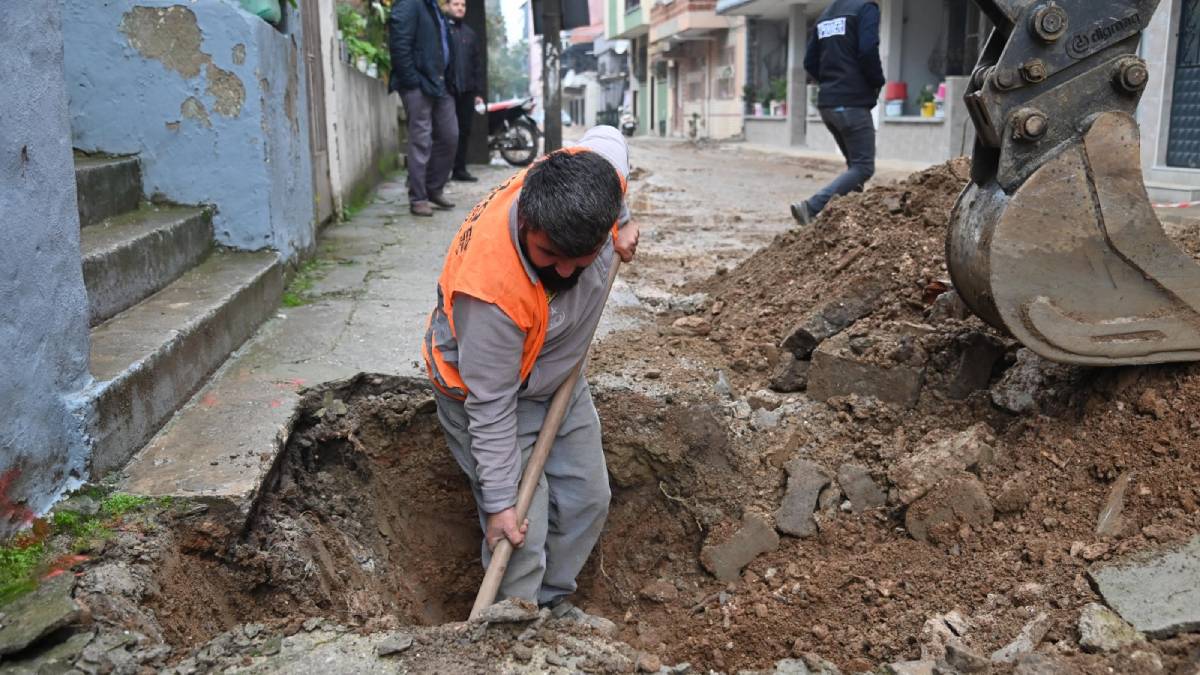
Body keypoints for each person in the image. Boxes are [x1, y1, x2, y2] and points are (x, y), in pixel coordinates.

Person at [422, 126, 640, 629]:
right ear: (527, 221)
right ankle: (511, 626)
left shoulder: (595, 177)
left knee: (589, 496)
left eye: (578, 261)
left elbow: (610, 139)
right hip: (490, 392)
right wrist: (499, 504)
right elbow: (491, 405)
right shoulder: (490, 295)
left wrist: (623, 222)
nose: (563, 272)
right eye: (548, 256)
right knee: (522, 528)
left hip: (558, 375)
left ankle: (551, 603)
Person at [790, 0, 885, 225]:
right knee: (863, 167)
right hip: (851, 103)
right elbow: (868, 49)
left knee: (854, 168)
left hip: (828, 105)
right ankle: (811, 206)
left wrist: (832, 83)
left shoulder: (826, 16)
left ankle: (853, 221)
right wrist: (876, 82)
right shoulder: (865, 8)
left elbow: (809, 62)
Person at [389, 0, 459, 217]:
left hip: (439, 83)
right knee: (421, 139)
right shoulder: (410, 3)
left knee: (450, 135)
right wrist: (412, 81)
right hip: (418, 83)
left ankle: (433, 188)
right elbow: (399, 42)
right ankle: (418, 198)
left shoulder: (433, 7)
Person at [445, 0, 485, 183]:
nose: (460, 8)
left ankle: (459, 169)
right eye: (455, 4)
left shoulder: (470, 34)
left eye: (463, 5)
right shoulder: (443, 31)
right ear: (447, 6)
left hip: (467, 90)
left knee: (464, 130)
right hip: (447, 90)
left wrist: (477, 92)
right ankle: (441, 171)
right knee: (445, 131)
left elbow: (477, 65)